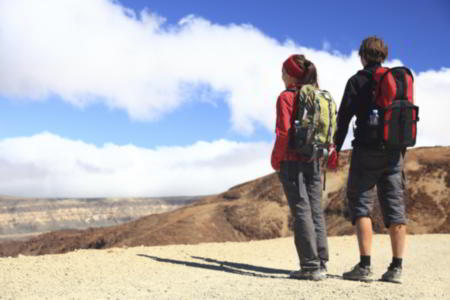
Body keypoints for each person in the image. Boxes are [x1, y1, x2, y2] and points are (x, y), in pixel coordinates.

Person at [334, 36, 407, 283]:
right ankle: (396, 268)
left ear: (363, 55)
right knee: (395, 208)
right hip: (395, 151)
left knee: (361, 204)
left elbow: (343, 118)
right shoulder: (398, 80)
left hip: (366, 151)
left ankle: (365, 266)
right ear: (383, 55)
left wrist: (334, 148)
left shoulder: (357, 81)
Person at [271, 54, 329, 281]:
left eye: (283, 71)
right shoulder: (317, 95)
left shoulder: (286, 97)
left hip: (291, 160)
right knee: (315, 210)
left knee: (301, 210)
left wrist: (276, 158)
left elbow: (283, 132)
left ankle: (309, 266)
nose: (281, 75)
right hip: (314, 159)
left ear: (291, 75)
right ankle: (321, 262)